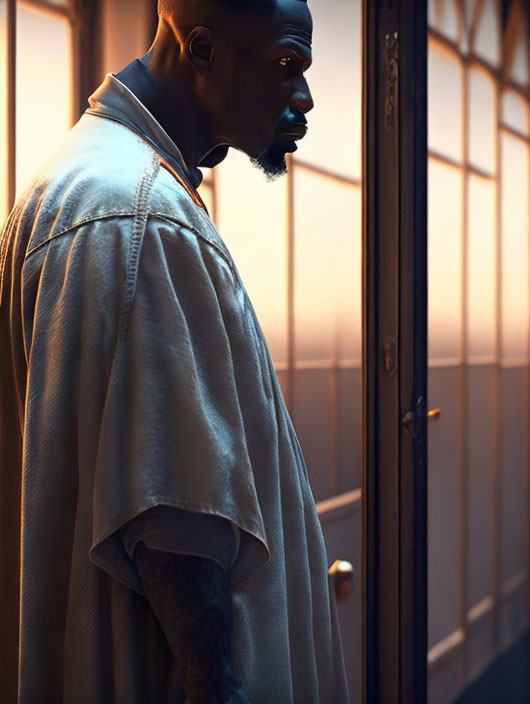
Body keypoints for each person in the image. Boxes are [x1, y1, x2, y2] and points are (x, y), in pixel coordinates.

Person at [0, 0, 350, 701]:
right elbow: (175, 518)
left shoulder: (86, 185)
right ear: (202, 50)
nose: (305, 95)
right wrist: (214, 683)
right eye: (286, 64)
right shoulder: (138, 216)